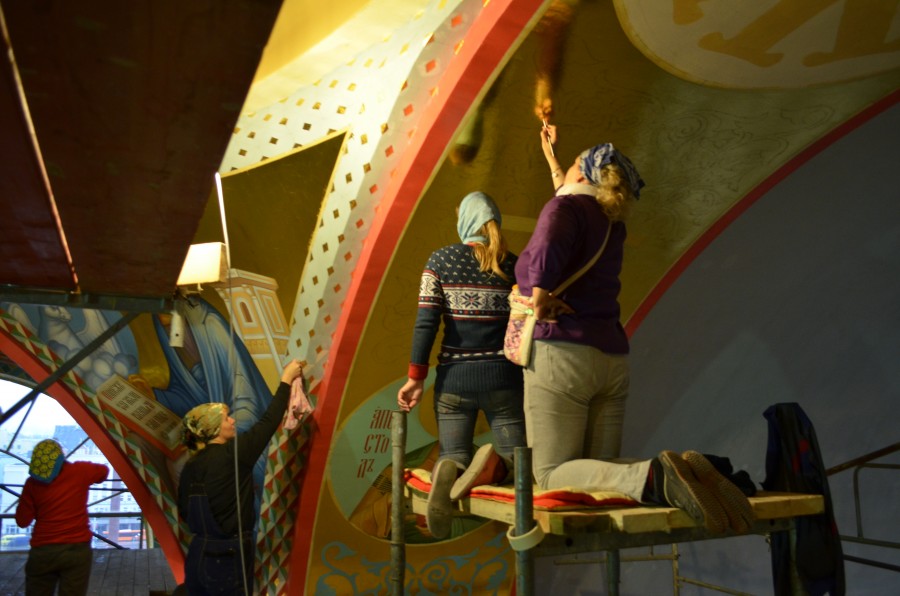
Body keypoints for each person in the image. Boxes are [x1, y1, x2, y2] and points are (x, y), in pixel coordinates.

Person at [459, 124, 753, 532]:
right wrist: (552, 158)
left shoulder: (562, 211)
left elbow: (548, 245)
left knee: (551, 474)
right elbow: (572, 200)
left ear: (582, 173)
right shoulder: (611, 222)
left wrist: (540, 296)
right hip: (611, 358)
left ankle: (655, 476)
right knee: (600, 473)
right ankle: (701, 472)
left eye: (572, 164)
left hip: (563, 356)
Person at [397, 191, 526, 539]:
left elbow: (426, 323)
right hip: (504, 380)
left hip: (454, 381)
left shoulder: (439, 261)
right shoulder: (514, 266)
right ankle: (496, 467)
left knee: (453, 452)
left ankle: (452, 467)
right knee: (518, 461)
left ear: (464, 221)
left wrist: (415, 378)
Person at [177, 358, 303, 595]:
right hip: (228, 557)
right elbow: (268, 422)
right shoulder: (233, 454)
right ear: (214, 428)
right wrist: (286, 379)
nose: (233, 420)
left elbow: (184, 511)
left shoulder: (190, 466)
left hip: (197, 554)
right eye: (226, 417)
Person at [15, 438, 110, 595]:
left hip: (43, 551)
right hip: (77, 549)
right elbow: (104, 472)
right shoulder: (80, 471)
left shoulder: (32, 484)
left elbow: (22, 521)